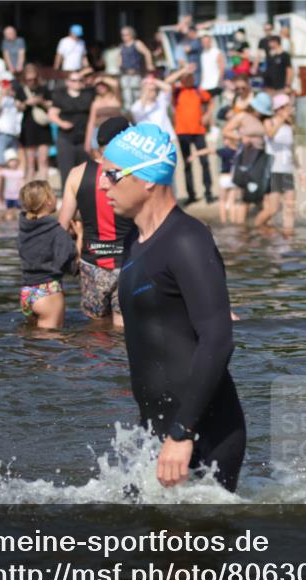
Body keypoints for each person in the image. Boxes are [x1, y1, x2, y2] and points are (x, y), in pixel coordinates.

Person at [100, 122, 246, 492]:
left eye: (113, 175)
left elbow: (218, 339)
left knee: (195, 547)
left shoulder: (187, 240)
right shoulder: (134, 239)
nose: (103, 185)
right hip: (159, 430)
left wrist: (183, 433)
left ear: (147, 179)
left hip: (202, 432)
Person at [58, 116, 136, 329]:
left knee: (96, 332)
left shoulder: (76, 174)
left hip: (92, 264)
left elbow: (62, 225)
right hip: (128, 261)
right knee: (123, 330)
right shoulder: (133, 174)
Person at [17, 180, 78, 329]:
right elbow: (72, 267)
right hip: (48, 292)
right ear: (48, 201)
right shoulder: (56, 230)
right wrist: (80, 237)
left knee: (32, 344)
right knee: (51, 347)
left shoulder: (24, 228)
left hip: (27, 292)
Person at [222, 92, 271, 223]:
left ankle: (251, 226)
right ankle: (241, 228)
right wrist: (241, 138)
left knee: (258, 193)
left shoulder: (263, 120)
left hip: (260, 156)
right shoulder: (242, 116)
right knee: (244, 194)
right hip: (247, 155)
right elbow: (226, 131)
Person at [170, 64, 214, 205]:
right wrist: (183, 70)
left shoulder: (198, 91)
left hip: (199, 131)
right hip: (182, 132)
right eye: (186, 77)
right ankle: (191, 194)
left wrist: (207, 114)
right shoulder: (176, 91)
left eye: (191, 77)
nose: (189, 79)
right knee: (187, 164)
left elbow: (210, 102)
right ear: (182, 78)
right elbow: (168, 81)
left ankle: (208, 192)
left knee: (204, 162)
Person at [255, 94, 299, 230]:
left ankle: (288, 235)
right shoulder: (269, 121)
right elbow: (270, 135)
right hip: (274, 169)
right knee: (273, 209)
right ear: (280, 108)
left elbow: (291, 149)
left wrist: (300, 170)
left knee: (290, 206)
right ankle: (256, 227)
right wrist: (281, 119)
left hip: (287, 169)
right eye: (288, 106)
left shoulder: (290, 125)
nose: (290, 109)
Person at [49, 70, 94, 188]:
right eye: (74, 80)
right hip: (65, 138)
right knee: (67, 171)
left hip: (83, 138)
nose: (77, 83)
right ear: (67, 82)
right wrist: (62, 123)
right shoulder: (61, 96)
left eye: (80, 80)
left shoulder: (88, 95)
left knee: (84, 172)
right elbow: (52, 113)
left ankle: (83, 200)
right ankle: (67, 199)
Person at [15, 64, 52, 181]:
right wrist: (27, 103)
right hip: (28, 126)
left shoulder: (44, 88)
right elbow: (17, 107)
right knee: (30, 163)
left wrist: (40, 101)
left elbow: (51, 105)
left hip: (43, 126)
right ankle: (29, 191)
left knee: (43, 160)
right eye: (28, 79)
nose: (31, 81)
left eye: (33, 78)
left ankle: (44, 189)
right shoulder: (20, 89)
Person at [0, 80, 22, 210]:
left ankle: (10, 198)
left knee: (12, 168)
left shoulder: (15, 101)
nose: (11, 91)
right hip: (2, 134)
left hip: (14, 135)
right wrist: (1, 96)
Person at [84, 76, 123, 154]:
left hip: (114, 131)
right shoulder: (96, 103)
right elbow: (91, 122)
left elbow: (115, 84)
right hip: (98, 131)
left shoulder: (116, 98)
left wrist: (101, 78)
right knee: (98, 155)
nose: (100, 87)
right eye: (97, 86)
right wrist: (87, 141)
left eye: (102, 85)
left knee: (113, 154)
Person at [119, 26, 153, 111]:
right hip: (125, 73)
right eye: (123, 35)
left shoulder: (137, 43)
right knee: (126, 96)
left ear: (131, 35)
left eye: (126, 35)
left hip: (135, 73)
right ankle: (129, 115)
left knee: (136, 95)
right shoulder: (122, 45)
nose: (124, 37)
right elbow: (120, 56)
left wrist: (149, 64)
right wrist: (119, 66)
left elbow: (147, 52)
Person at [198, 31, 226, 101]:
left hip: (215, 84)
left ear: (210, 41)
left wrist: (220, 80)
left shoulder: (217, 52)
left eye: (206, 42)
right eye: (203, 42)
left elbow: (222, 67)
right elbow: (203, 70)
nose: (205, 44)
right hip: (204, 85)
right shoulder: (202, 54)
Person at [0, 148, 25, 215]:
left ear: (17, 161)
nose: (13, 162)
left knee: (19, 212)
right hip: (8, 196)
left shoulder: (20, 172)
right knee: (8, 212)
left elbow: (22, 183)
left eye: (14, 160)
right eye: (11, 161)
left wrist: (22, 193)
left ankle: (18, 223)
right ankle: (8, 222)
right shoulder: (5, 172)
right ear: (7, 163)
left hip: (17, 196)